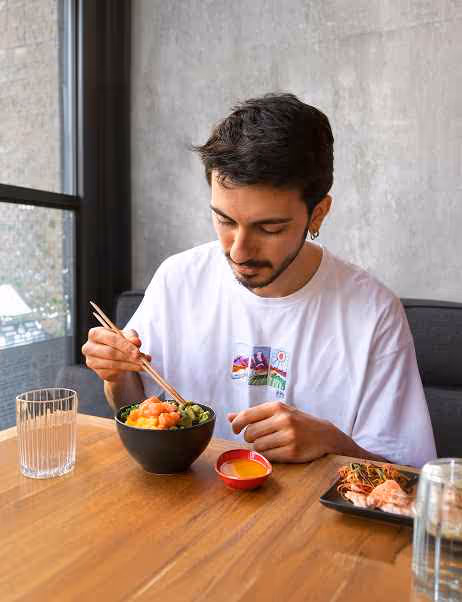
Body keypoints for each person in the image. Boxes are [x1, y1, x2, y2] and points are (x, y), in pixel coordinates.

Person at [82, 93, 436, 467]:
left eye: (268, 227)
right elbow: (134, 404)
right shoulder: (178, 278)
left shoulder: (373, 311)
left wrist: (332, 443)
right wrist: (116, 375)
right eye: (225, 220)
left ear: (318, 214)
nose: (238, 250)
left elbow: (407, 477)